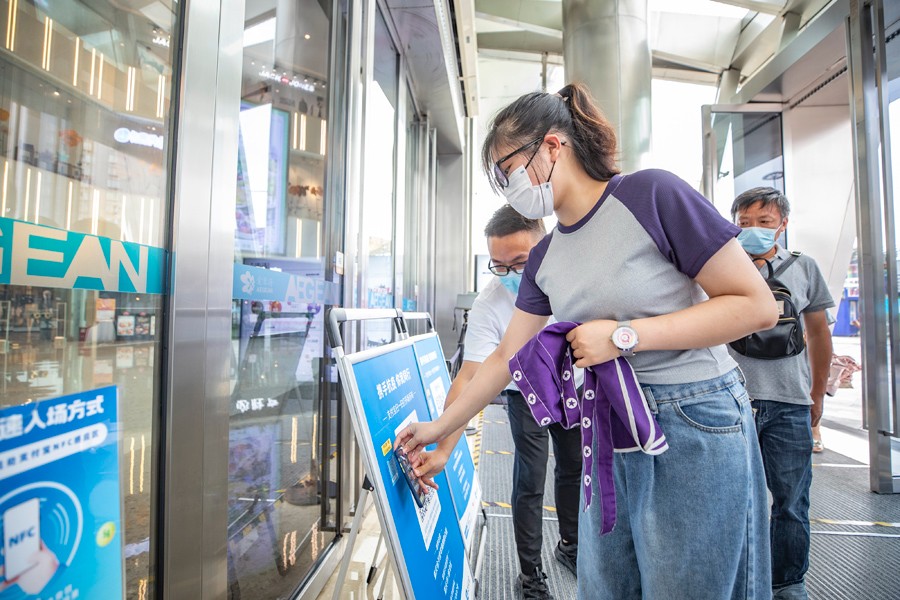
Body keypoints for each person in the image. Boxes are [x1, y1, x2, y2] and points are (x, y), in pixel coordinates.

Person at [397, 82, 779, 600]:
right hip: (609, 424)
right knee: (605, 587)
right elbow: (507, 356)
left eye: (508, 169)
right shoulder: (544, 257)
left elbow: (755, 305)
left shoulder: (652, 194)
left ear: (553, 146)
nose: (508, 187)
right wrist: (441, 433)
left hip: (693, 417)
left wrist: (625, 337)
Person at [416, 204, 582, 599]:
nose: (510, 275)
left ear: (545, 243)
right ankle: (530, 574)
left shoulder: (576, 278)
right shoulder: (490, 302)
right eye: (499, 266)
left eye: (519, 263)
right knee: (530, 476)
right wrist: (443, 448)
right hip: (525, 389)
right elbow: (469, 378)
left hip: (576, 385)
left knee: (574, 468)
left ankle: (570, 546)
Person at [730, 187, 835, 600]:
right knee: (732, 500)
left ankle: (787, 583)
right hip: (732, 401)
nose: (753, 229)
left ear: (783, 224)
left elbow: (819, 334)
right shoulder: (722, 265)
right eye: (744, 222)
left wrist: (818, 393)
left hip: (790, 401)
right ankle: (738, 580)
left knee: (791, 502)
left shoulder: (804, 267)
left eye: (764, 222)